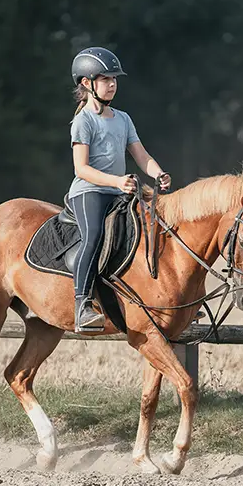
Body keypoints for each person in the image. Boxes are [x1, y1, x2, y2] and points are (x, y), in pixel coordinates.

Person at [68, 46, 171, 333]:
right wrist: (116, 182)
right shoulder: (83, 121)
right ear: (87, 84)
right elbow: (81, 169)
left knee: (154, 230)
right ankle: (82, 305)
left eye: (114, 79)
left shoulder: (123, 119)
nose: (112, 83)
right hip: (89, 191)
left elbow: (141, 156)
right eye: (105, 79)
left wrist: (158, 172)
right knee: (94, 236)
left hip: (119, 191)